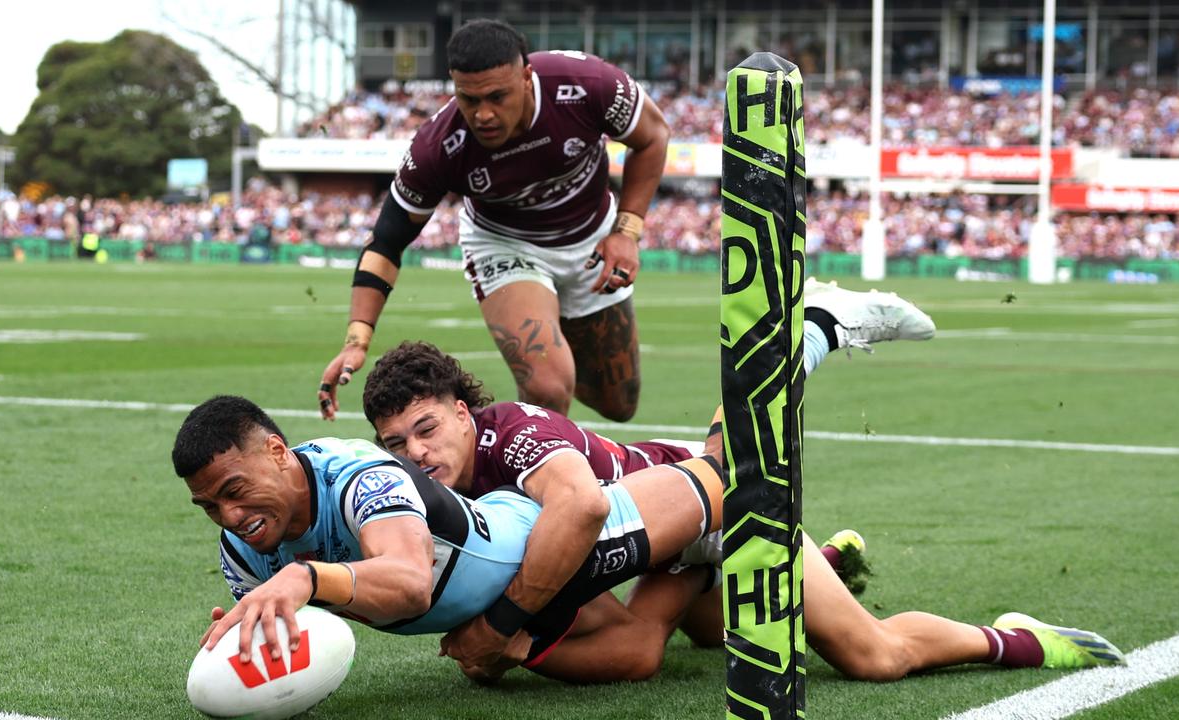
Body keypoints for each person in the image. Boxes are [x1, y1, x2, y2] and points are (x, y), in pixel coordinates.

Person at [360, 340, 1128, 684]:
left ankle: (1017, 640)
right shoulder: (435, 498)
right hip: (665, 556)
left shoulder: (515, 432)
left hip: (707, 513)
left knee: (870, 658)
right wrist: (499, 653)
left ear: (465, 412)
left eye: (427, 429)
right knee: (719, 632)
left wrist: (502, 637)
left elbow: (583, 515)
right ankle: (821, 565)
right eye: (397, 444)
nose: (417, 453)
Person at [174, 394, 726, 676]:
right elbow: (298, 632)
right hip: (503, 598)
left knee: (737, 474)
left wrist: (305, 576)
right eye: (210, 506)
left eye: (235, 489)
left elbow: (412, 583)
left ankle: (808, 326)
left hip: (554, 544)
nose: (228, 515)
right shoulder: (242, 552)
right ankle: (695, 572)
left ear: (276, 452)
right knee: (642, 652)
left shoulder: (358, 476)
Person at [317, 19, 671, 424]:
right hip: (505, 245)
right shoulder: (438, 148)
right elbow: (385, 242)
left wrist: (627, 232)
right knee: (549, 385)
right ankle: (511, 466)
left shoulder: (587, 84)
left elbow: (653, 137)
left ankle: (559, 333)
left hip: (593, 237)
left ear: (526, 77)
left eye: (497, 96)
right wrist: (357, 340)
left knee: (619, 405)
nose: (483, 114)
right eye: (469, 99)